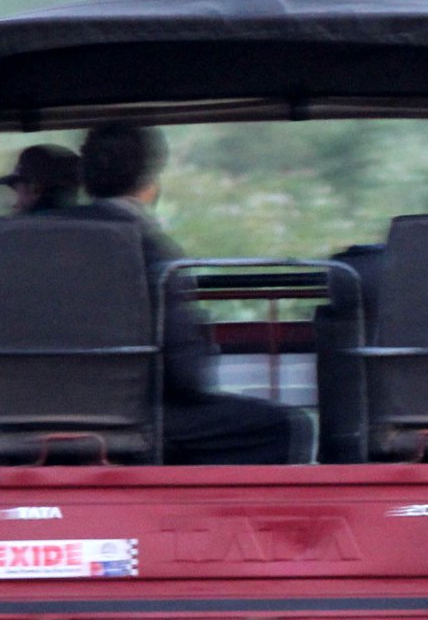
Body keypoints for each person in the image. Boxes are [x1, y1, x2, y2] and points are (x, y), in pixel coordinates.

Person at [66, 124, 294, 465]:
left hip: (39, 413)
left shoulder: (34, 245)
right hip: (136, 418)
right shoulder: (147, 248)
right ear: (149, 183)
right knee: (283, 426)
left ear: (85, 180)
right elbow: (186, 377)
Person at [0, 143, 82, 214]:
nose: (15, 205)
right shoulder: (83, 225)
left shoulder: (20, 232)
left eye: (16, 189)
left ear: (35, 190)